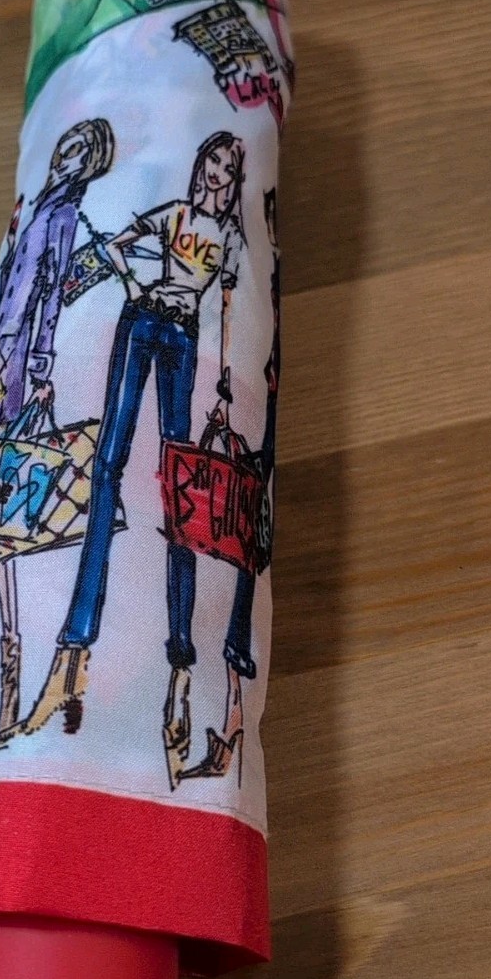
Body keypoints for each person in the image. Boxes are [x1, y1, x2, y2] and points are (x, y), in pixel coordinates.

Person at [15, 131, 246, 788]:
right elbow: (118, 247)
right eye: (212, 162)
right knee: (107, 467)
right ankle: (72, 653)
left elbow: (228, 310)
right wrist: (138, 275)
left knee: (178, 495)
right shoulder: (173, 215)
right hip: (140, 322)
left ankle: (179, 672)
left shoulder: (227, 239)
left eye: (227, 167)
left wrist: (225, 383)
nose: (216, 174)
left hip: (184, 338)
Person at [0, 117, 115, 752]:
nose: (67, 156)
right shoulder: (40, 205)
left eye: (80, 152)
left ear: (90, 164)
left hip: (12, 373)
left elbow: (49, 302)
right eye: (68, 146)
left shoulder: (62, 217)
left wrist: (38, 373)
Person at [182, 186, 280, 780]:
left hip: (253, 419)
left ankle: (230, 726)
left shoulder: (250, 255)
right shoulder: (241, 253)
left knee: (243, 566)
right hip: (246, 409)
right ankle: (230, 724)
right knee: (240, 569)